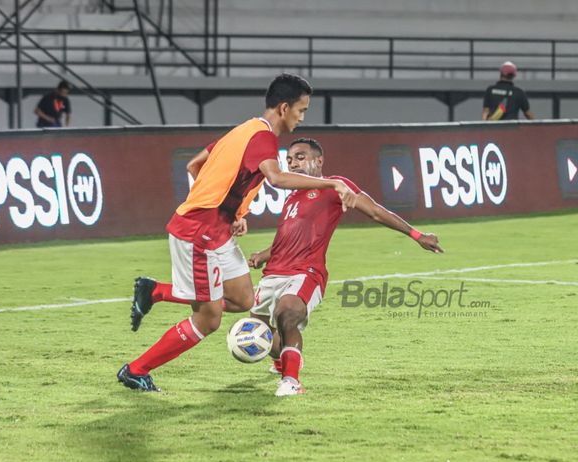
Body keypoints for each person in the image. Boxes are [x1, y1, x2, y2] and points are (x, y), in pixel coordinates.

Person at [117, 73, 358, 392]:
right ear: (284, 108)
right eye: (301, 110)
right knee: (209, 319)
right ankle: (135, 370)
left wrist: (231, 212)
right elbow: (277, 179)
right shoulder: (263, 138)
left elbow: (195, 165)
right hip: (199, 233)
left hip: (216, 230)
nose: (301, 118)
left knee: (243, 298)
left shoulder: (244, 130)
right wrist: (331, 182)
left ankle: (155, 291)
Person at [247, 138, 443, 397]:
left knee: (287, 313)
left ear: (319, 161)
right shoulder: (292, 196)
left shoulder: (335, 187)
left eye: (300, 157)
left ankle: (291, 381)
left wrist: (416, 235)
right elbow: (288, 237)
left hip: (306, 272)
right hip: (274, 273)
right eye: (290, 159)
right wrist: (264, 254)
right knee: (258, 333)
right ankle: (282, 358)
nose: (293, 162)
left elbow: (374, 211)